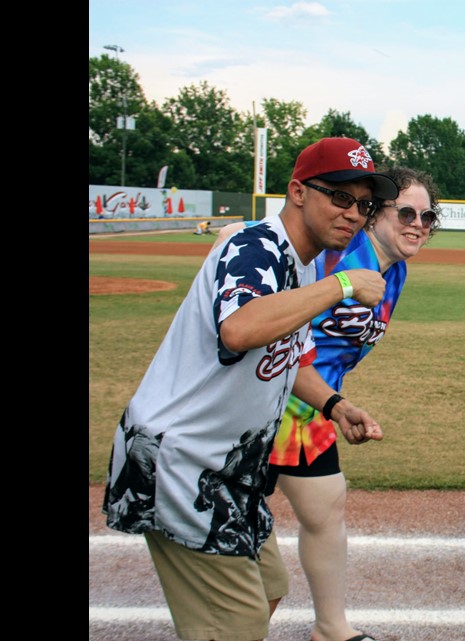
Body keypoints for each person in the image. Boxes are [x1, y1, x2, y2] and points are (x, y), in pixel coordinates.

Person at [102, 136, 399, 641]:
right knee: (236, 624)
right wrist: (343, 285)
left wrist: (334, 403)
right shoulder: (255, 246)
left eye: (365, 205)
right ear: (299, 191)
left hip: (228, 466)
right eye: (341, 197)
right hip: (181, 460)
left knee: (267, 588)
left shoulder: (300, 267)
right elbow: (239, 329)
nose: (354, 213)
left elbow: (284, 356)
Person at [212, 168, 441, 641]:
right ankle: (229, 625)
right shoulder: (332, 254)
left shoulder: (394, 272)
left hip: (309, 408)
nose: (417, 223)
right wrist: (237, 234)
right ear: (375, 214)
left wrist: (334, 404)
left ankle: (330, 627)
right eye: (405, 212)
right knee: (238, 525)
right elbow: (251, 246)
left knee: (324, 508)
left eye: (427, 216)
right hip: (258, 404)